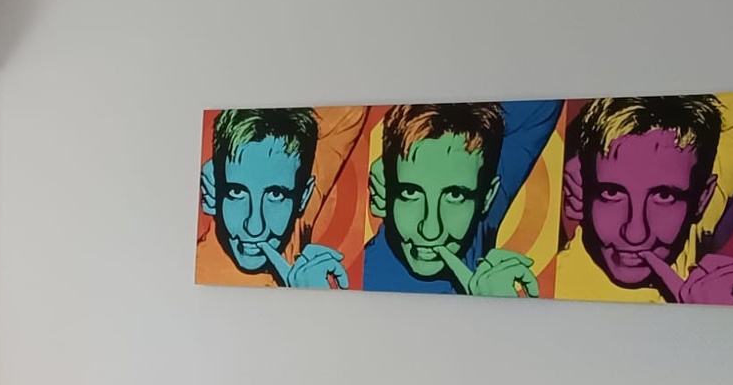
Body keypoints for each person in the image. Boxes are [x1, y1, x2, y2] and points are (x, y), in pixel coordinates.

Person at [556, 95, 733, 306]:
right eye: (611, 193)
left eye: (664, 196)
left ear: (702, 199)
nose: (635, 234)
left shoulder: (692, 205)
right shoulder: (557, 290)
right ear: (583, 188)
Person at [361, 99, 562, 296]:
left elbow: (543, 102)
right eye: (410, 192)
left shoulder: (481, 214)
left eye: (455, 195)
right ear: (388, 190)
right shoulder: (365, 281)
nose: (431, 231)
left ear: (488, 197)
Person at [196, 108, 348, 288]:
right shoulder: (203, 271)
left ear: (304, 196)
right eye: (236, 192)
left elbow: (349, 114)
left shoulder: (296, 217)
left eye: (276, 195)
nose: (254, 228)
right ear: (215, 190)